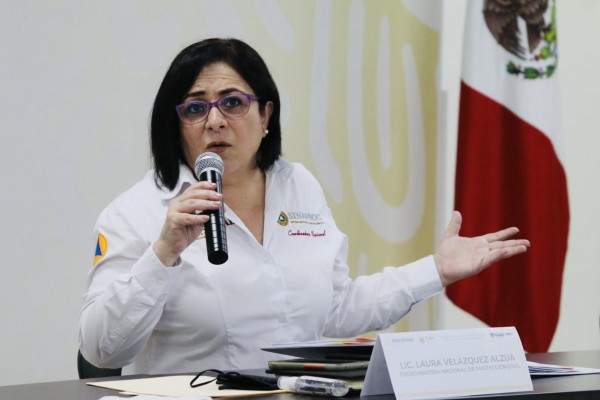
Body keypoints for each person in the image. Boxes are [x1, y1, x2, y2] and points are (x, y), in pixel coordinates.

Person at [78, 38, 530, 375]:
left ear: (266, 116)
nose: (214, 120)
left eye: (232, 103)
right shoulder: (138, 211)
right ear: (176, 125)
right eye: (195, 109)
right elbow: (101, 350)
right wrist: (163, 253)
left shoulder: (298, 186)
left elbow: (337, 308)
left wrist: (435, 270)